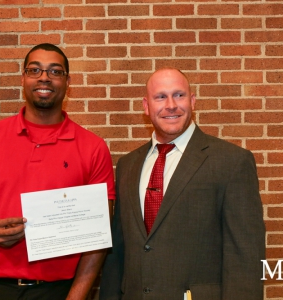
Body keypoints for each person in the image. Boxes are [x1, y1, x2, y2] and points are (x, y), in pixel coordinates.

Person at [99, 68, 265, 300]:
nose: (171, 105)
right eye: (160, 97)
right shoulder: (128, 165)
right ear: (146, 107)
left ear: (193, 101)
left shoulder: (232, 161)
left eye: (179, 95)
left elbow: (245, 256)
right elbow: (118, 251)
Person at [0, 43, 115, 300]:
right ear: (23, 77)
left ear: (68, 82)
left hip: (57, 292)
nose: (44, 77)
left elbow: (98, 238)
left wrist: (74, 298)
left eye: (55, 71)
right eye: (35, 70)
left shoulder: (92, 148)